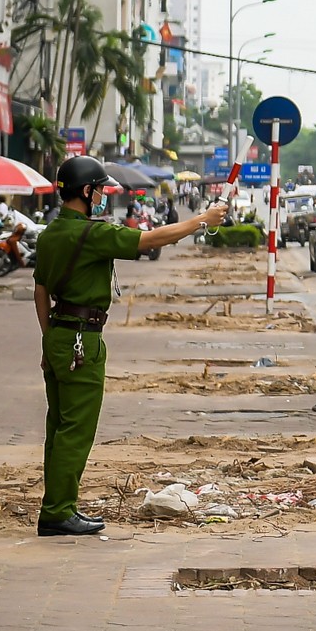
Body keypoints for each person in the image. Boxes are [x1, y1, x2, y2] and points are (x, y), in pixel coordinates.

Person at [33, 155, 226, 537]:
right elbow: (151, 239)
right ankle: (57, 511)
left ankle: (56, 505)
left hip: (58, 333)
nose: (103, 196)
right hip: (81, 340)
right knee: (76, 429)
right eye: (100, 190)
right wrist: (201, 221)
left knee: (58, 426)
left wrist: (47, 339)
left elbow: (40, 292)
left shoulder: (50, 234)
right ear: (86, 192)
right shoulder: (91, 234)